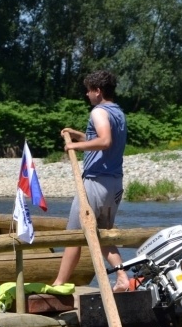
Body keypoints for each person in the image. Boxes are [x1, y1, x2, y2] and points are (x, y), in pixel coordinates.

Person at [52, 70, 130, 292]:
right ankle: (122, 277)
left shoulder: (99, 111)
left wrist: (74, 146)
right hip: (114, 183)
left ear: (98, 91)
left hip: (96, 182)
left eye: (88, 90)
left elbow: (104, 141)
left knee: (74, 235)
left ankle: (59, 284)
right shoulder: (118, 112)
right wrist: (78, 135)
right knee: (102, 234)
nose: (87, 94)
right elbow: (100, 139)